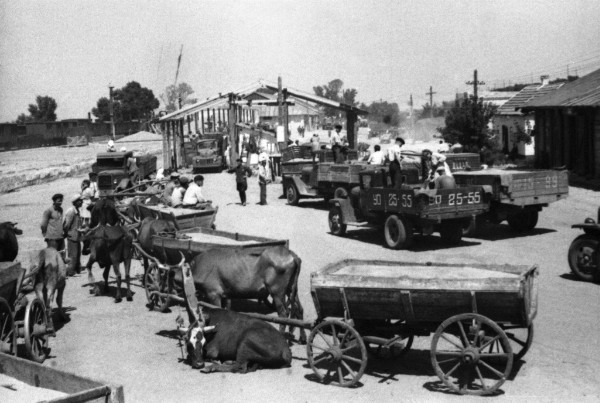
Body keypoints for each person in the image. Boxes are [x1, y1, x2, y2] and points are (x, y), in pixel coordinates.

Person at [63, 194, 83, 276]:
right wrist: (67, 234)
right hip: (72, 235)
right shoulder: (71, 211)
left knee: (77, 253)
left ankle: (76, 269)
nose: (81, 202)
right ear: (75, 202)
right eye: (79, 201)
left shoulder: (77, 210)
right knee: (72, 254)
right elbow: (66, 225)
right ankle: (70, 271)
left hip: (77, 235)